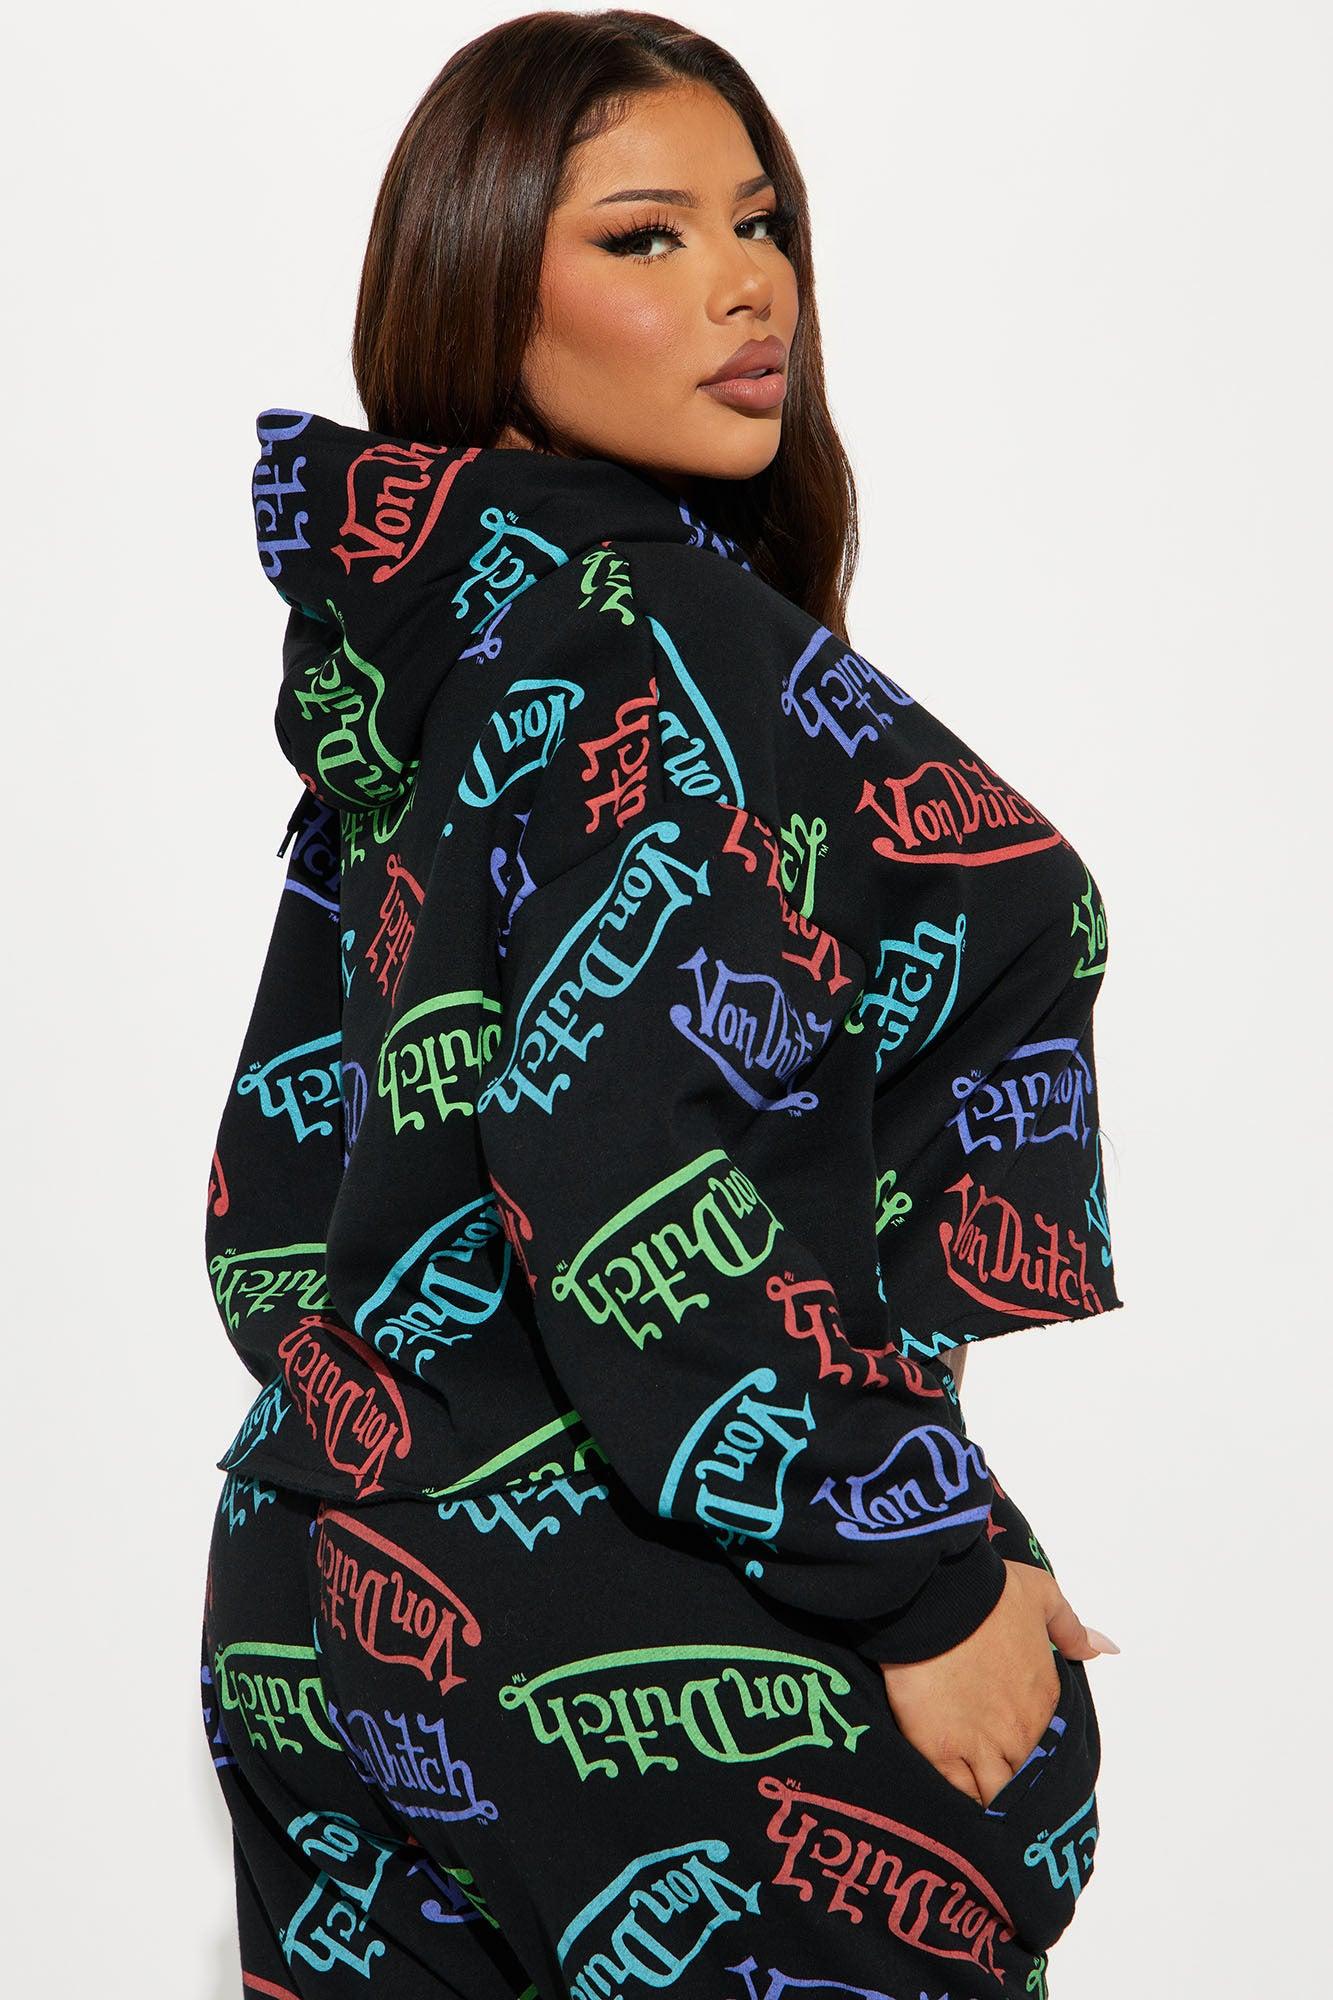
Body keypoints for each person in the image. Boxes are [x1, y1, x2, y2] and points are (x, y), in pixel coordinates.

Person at [199, 12, 1125, 1997]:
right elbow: (625, 1154)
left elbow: (293, 1157)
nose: (743, 285)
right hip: (633, 1607)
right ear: (479, 292)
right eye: (643, 235)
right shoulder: (650, 642)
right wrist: (911, 1572)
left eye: (758, 222)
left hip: (322, 1572)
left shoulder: (434, 637)